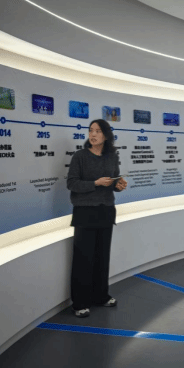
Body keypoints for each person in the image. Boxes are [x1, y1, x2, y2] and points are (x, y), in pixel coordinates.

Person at [67, 119, 127, 318]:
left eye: (98, 131)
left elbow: (113, 181)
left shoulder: (112, 157)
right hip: (85, 212)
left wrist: (118, 185)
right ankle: (80, 303)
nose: (93, 134)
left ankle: (101, 296)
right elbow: (72, 184)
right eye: (91, 130)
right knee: (83, 260)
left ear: (106, 135)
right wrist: (96, 183)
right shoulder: (80, 156)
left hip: (106, 210)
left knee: (102, 258)